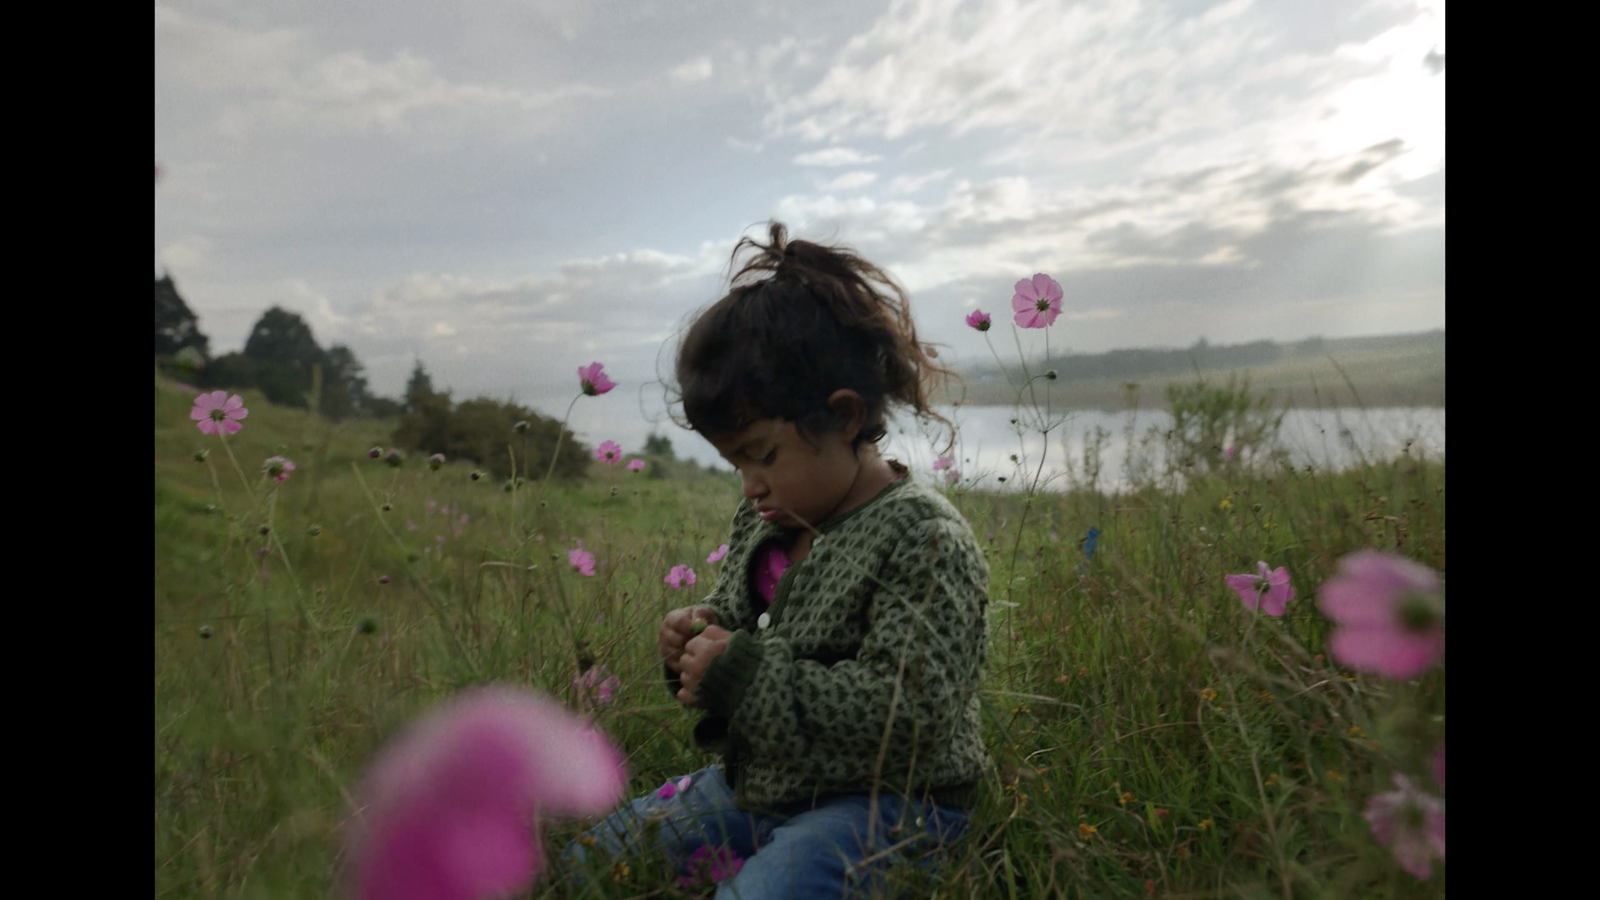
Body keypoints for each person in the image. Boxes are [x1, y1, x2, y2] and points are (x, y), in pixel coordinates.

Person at [561, 222, 991, 898]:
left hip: (897, 803)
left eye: (762, 455)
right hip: (765, 784)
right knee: (594, 862)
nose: (749, 485)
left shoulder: (922, 536)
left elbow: (908, 714)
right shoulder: (767, 517)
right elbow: (737, 628)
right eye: (734, 464)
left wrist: (744, 674)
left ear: (844, 417)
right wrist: (696, 645)